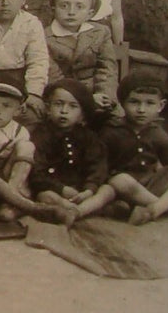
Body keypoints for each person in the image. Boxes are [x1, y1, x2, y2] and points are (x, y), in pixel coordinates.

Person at [0, 73, 68, 223]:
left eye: (6, 106)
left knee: (27, 146)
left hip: (9, 178)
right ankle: (24, 205)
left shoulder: (19, 131)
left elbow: (21, 166)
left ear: (17, 110)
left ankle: (10, 200)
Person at [102, 70, 168, 225]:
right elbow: (101, 167)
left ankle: (154, 209)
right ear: (122, 103)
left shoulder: (158, 133)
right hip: (126, 190)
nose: (141, 109)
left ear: (160, 105)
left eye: (149, 103)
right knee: (120, 181)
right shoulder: (112, 130)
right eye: (134, 102)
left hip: (151, 185)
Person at [29, 79, 116, 222]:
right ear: (48, 109)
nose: (64, 111)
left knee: (108, 190)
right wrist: (61, 189)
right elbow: (36, 171)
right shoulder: (41, 135)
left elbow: (97, 166)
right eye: (58, 104)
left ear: (82, 114)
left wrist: (89, 189)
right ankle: (71, 209)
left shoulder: (88, 137)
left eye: (73, 106)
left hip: (82, 190)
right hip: (56, 190)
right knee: (44, 196)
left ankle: (77, 212)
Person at [45, 0, 120, 116]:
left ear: (90, 13)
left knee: (115, 124)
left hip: (99, 95)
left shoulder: (100, 32)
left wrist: (105, 95)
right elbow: (54, 76)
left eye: (79, 7)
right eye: (64, 6)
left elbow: (107, 68)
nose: (71, 12)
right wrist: (86, 99)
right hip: (64, 99)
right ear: (53, 9)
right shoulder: (44, 37)